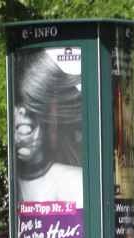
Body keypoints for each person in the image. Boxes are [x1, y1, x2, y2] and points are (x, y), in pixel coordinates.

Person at [13, 49, 84, 205]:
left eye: (31, 101)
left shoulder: (74, 183)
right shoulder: (15, 185)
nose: (23, 110)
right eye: (17, 101)